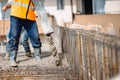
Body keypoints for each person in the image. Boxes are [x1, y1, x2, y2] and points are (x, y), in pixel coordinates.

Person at [2, 0, 42, 67]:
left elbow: (37, 4)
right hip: (16, 15)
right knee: (14, 37)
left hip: (30, 16)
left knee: (35, 36)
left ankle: (38, 56)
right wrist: (6, 6)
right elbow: (11, 2)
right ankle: (12, 59)